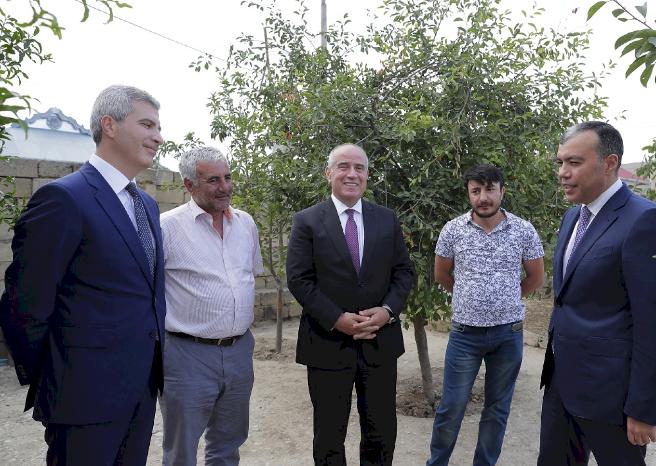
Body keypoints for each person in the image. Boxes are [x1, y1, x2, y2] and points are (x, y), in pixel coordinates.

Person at [0, 85, 165, 465]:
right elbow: (24, 304)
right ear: (109, 125)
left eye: (159, 127)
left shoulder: (147, 205)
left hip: (141, 390)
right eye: (147, 124)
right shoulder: (64, 199)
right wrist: (58, 377)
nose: (158, 136)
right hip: (82, 398)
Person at [537, 121, 656, 466]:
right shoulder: (572, 218)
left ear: (609, 163)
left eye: (574, 162)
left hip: (612, 397)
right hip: (561, 384)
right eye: (560, 162)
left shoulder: (647, 222)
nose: (563, 172)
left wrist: (645, 407)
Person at [286, 143, 414, 466]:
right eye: (344, 166)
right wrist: (336, 318)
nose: (352, 174)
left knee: (380, 434)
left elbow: (403, 272)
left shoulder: (386, 219)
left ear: (367, 176)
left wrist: (387, 312)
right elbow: (299, 279)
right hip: (327, 344)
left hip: (379, 343)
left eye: (359, 168)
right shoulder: (307, 221)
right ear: (329, 173)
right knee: (329, 436)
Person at [427, 164, 545, 466]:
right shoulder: (453, 229)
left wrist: (508, 297)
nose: (483, 197)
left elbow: (536, 277)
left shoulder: (523, 230)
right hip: (465, 335)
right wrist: (468, 296)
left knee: (497, 409)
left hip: (508, 335)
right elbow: (442, 275)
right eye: (476, 190)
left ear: (502, 191)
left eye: (490, 189)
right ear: (468, 194)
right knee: (451, 407)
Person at [159, 146, 263, 465]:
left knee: (229, 444)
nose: (225, 187)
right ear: (189, 184)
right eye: (214, 180)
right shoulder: (166, 227)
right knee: (182, 448)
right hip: (186, 355)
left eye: (228, 178)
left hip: (239, 351)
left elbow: (250, 274)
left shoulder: (245, 223)